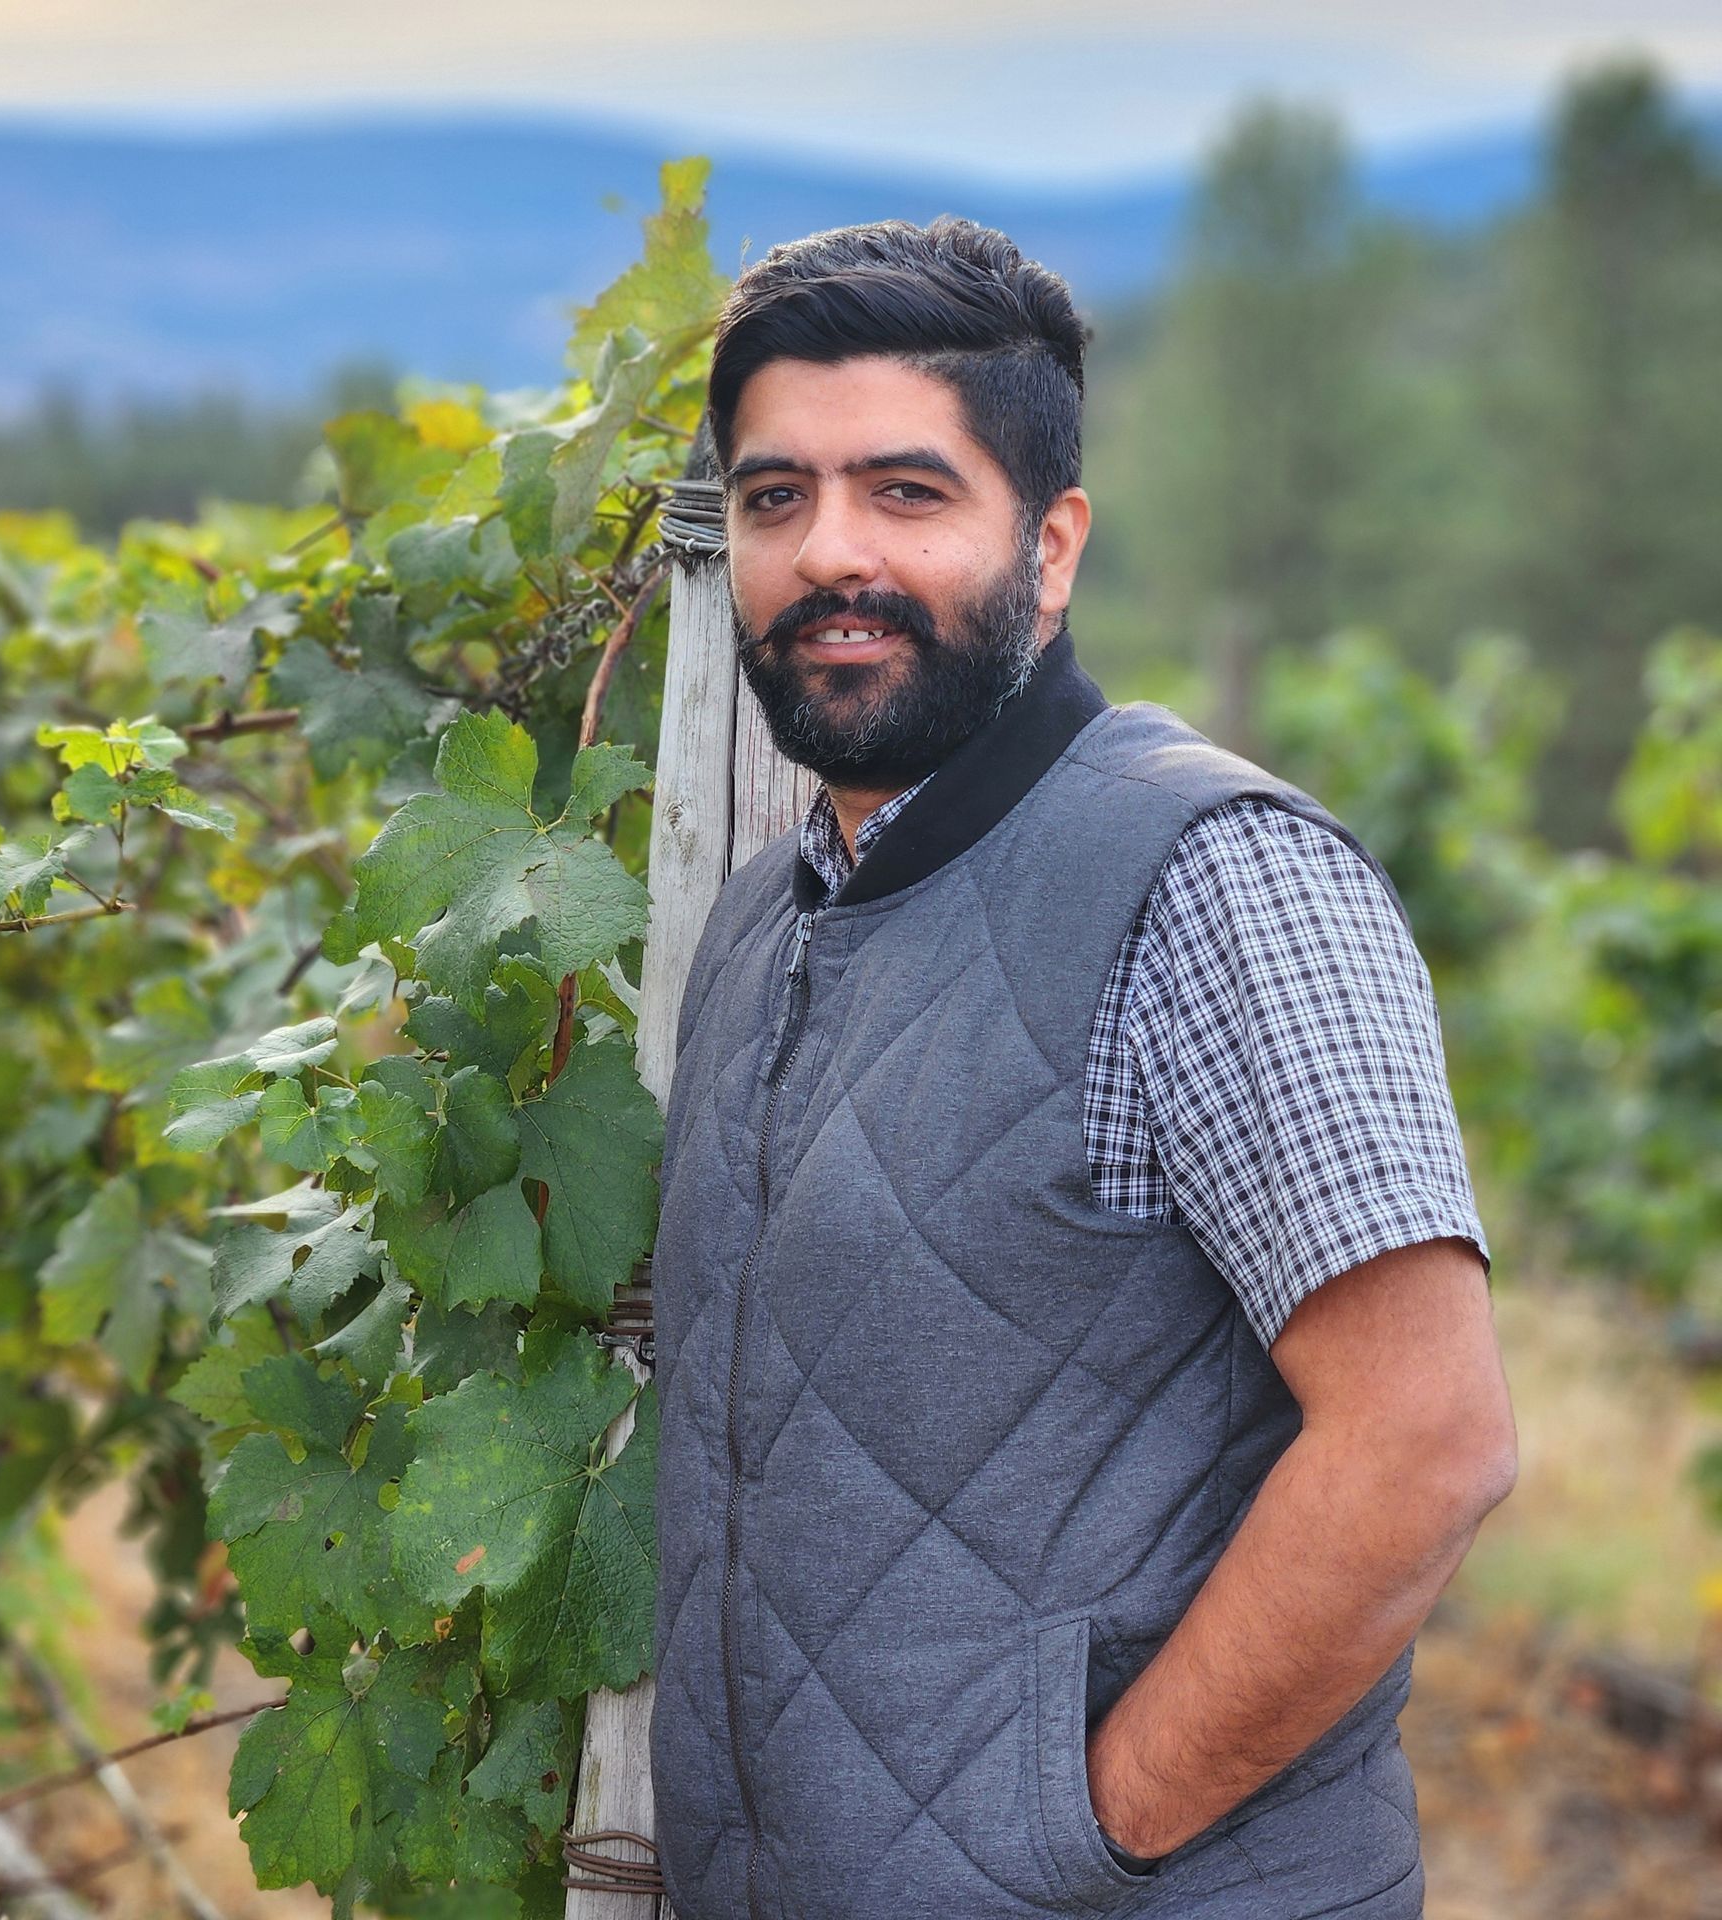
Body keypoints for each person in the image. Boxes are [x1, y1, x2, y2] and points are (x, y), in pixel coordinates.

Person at [645, 214, 1516, 1920]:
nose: (829, 551)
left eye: (907, 493)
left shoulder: (1213, 882)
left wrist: (1085, 1831)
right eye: (774, 497)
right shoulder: (764, 923)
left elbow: (1426, 1442)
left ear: (1049, 547)